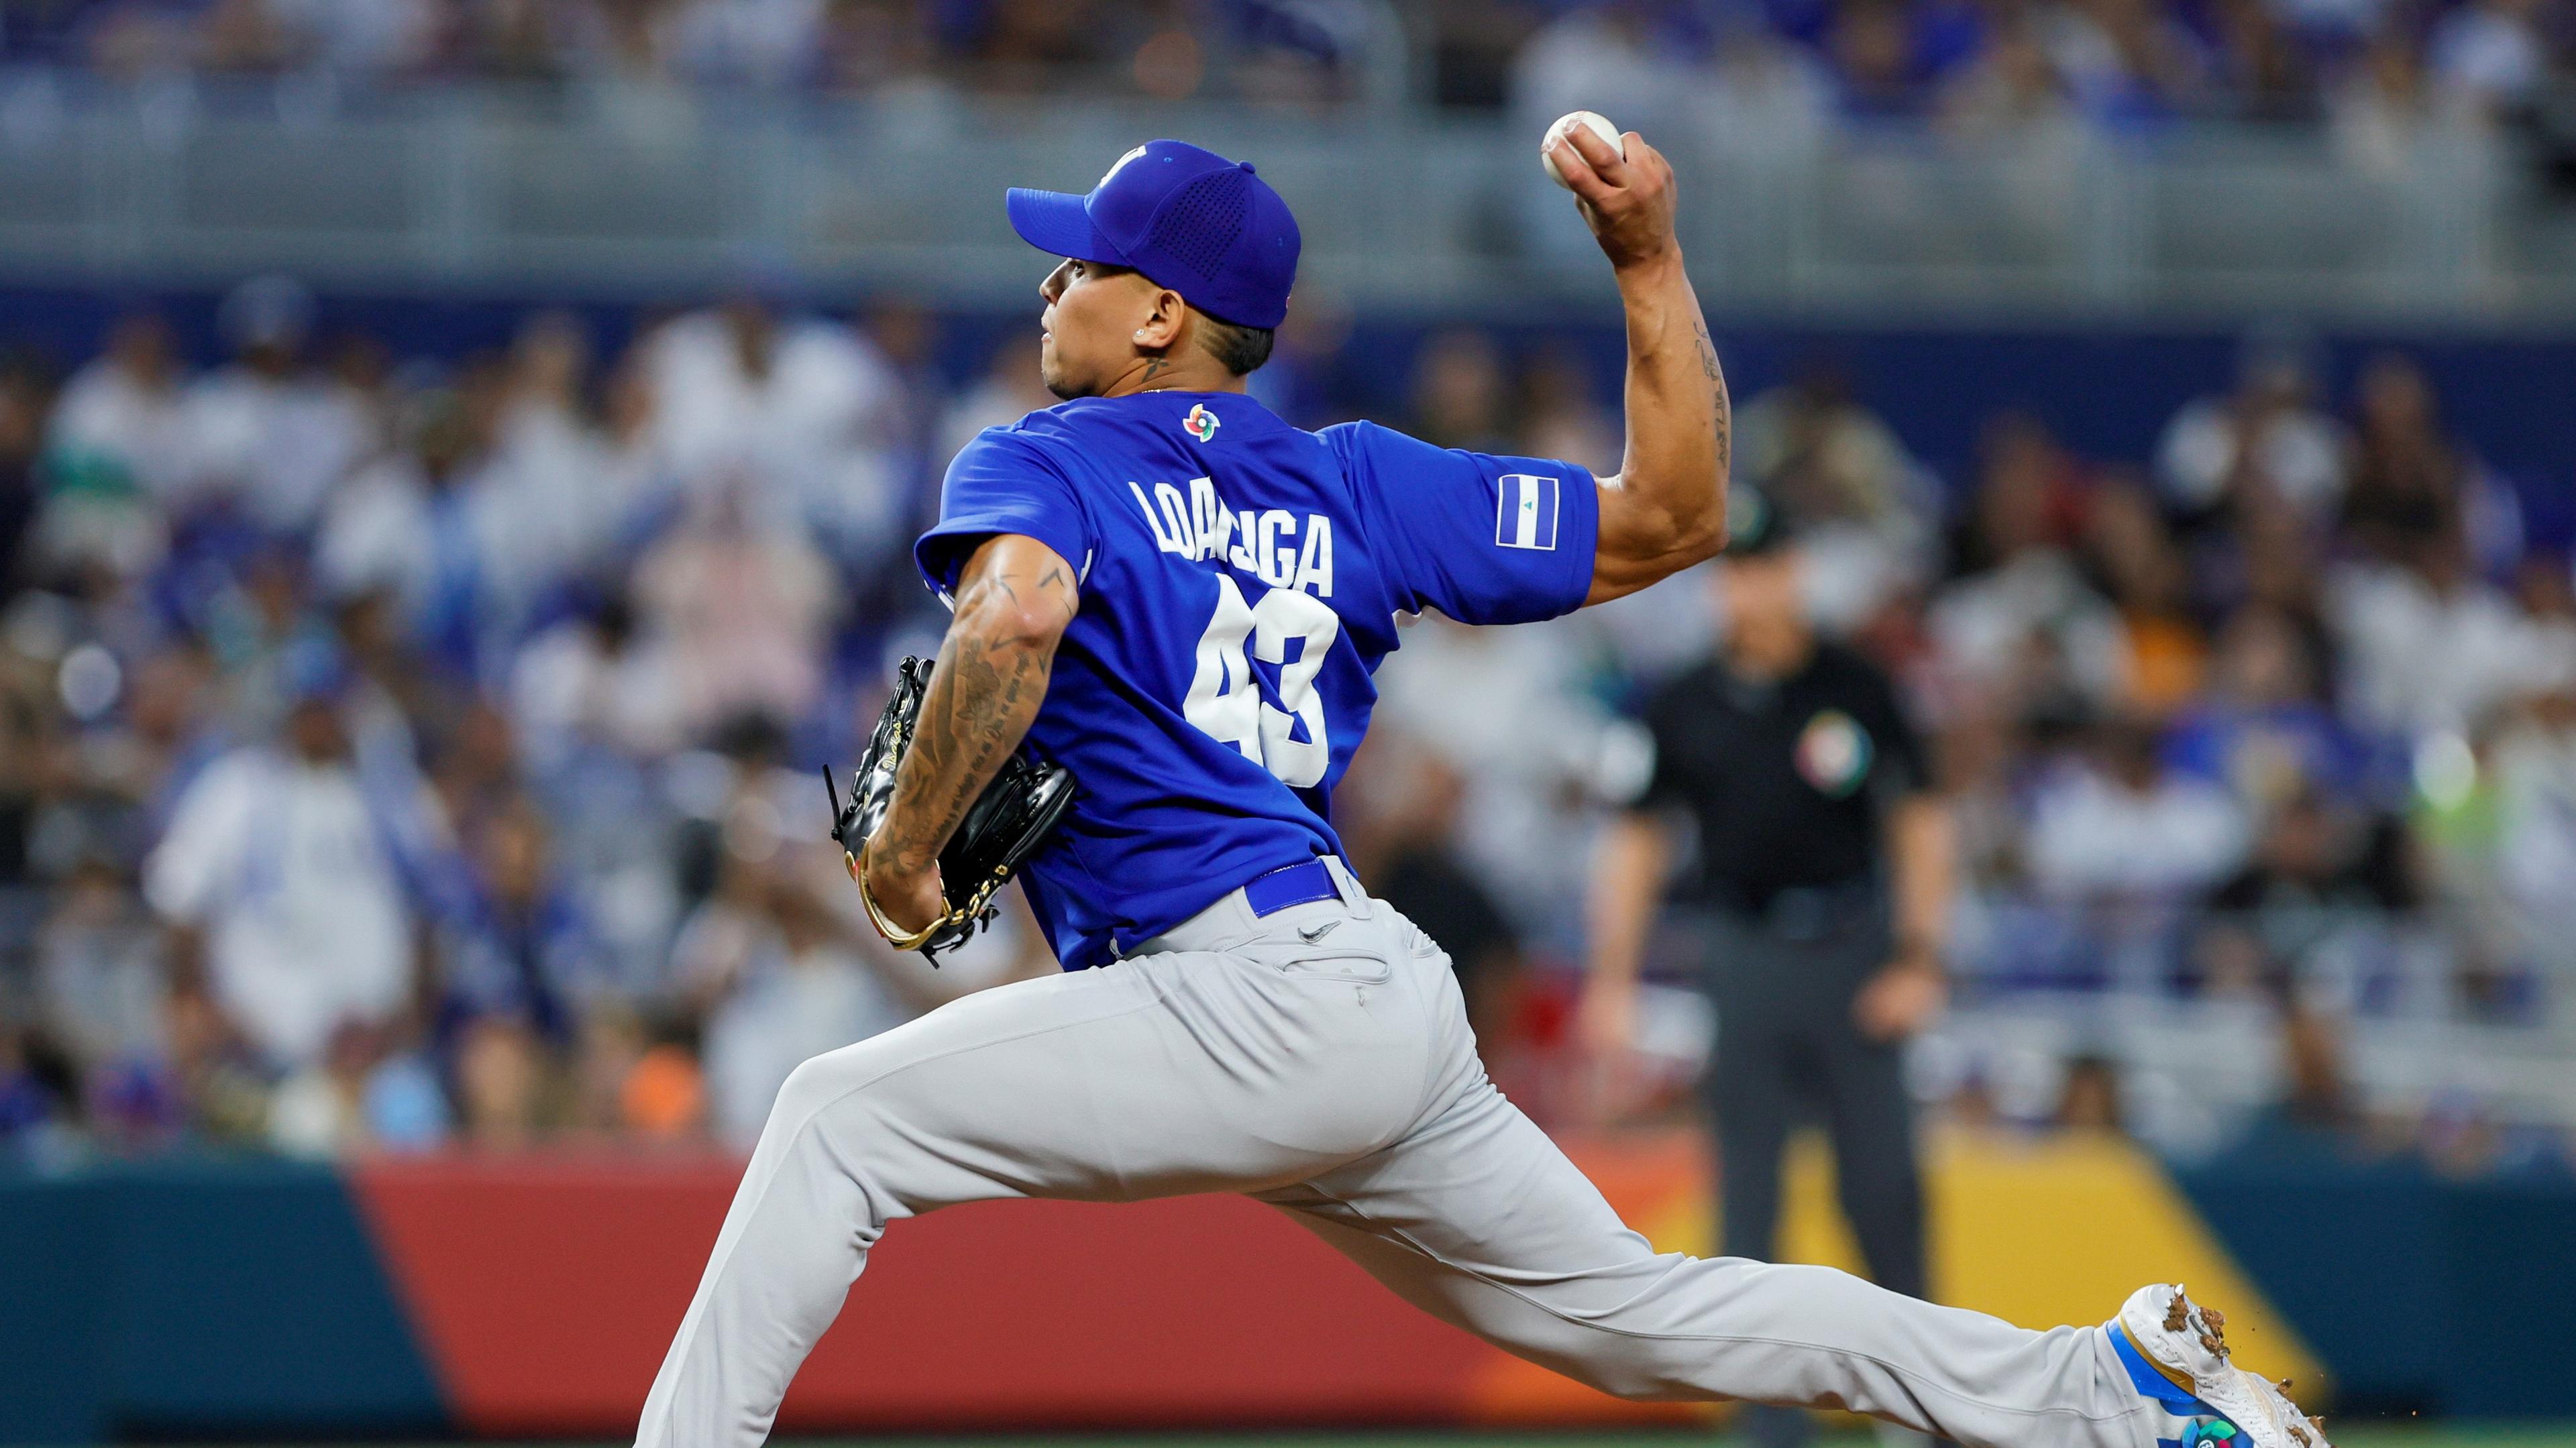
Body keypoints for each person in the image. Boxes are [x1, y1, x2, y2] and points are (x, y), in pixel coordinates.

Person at [633, 134, 2325, 1448]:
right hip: (1362, 990)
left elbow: (1012, 611)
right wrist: (1650, 260)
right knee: (1645, 1312)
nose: (1049, 285)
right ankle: (2118, 1394)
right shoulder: (1356, 481)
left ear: (1157, 312)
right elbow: (1673, 515)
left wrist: (914, 850)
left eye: (1077, 261)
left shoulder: (1046, 454)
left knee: (833, 1121)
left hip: (1242, 997)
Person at [1580, 492, 1954, 1448]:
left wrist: (1920, 956)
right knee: (1747, 1203)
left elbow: (1921, 823)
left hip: (1854, 952)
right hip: (1742, 954)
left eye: (1766, 566)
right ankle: (1766, 1426)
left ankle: (1921, 1410)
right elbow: (1636, 842)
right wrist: (1610, 979)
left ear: (1797, 574)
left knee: (1884, 1193)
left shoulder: (1857, 686)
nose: (1750, 589)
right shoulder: (1683, 702)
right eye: (1733, 571)